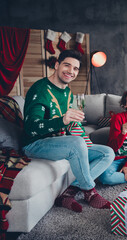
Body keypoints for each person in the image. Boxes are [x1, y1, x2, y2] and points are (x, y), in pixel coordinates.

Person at [22, 50, 114, 213]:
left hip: (61, 142)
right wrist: (62, 120)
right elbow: (31, 128)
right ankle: (90, 192)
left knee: (107, 153)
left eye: (75, 69)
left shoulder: (67, 92)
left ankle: (69, 193)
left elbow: (72, 125)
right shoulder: (39, 90)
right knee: (76, 143)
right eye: (67, 65)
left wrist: (84, 139)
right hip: (35, 144)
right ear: (57, 65)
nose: (71, 71)